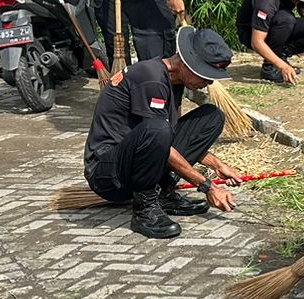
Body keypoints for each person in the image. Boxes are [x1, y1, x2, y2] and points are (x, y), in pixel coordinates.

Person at [83, 26, 242, 239]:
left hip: (135, 157)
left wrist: (218, 165)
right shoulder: (150, 77)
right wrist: (207, 186)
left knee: (211, 117)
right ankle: (144, 210)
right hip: (108, 174)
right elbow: (158, 139)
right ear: (187, 64)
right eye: (206, 75)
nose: (209, 83)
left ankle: (164, 193)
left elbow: (166, 139)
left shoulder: (173, 79)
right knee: (158, 128)